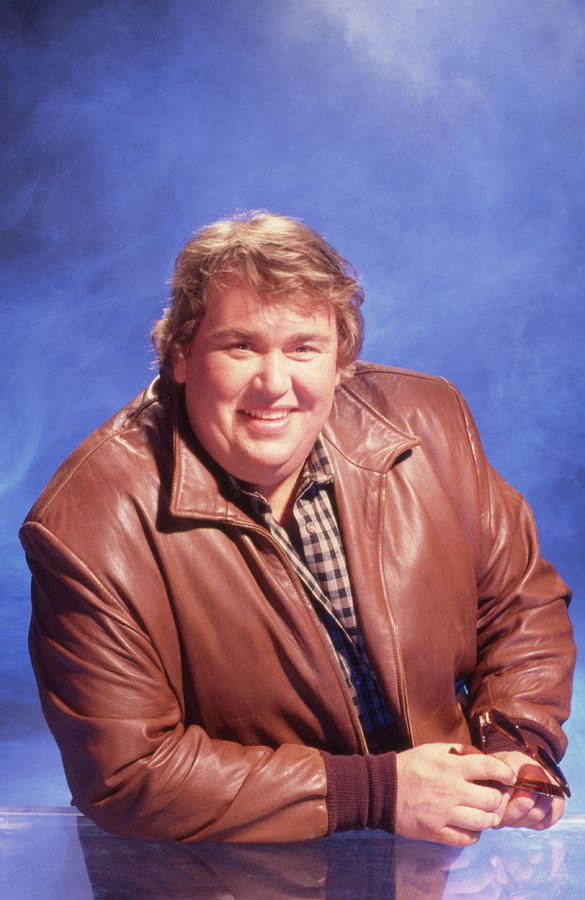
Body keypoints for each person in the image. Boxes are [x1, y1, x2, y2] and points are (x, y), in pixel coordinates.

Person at [21, 212, 575, 847]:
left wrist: (511, 744)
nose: (275, 383)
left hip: (439, 863)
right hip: (231, 880)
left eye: (303, 348)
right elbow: (127, 774)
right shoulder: (86, 526)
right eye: (241, 346)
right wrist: (377, 793)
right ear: (180, 353)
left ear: (341, 356)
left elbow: (520, 605)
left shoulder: (433, 422)